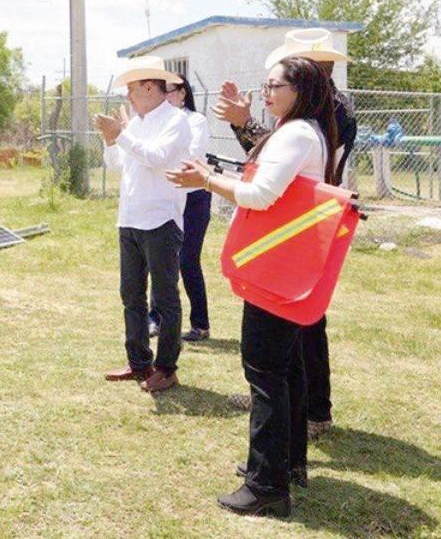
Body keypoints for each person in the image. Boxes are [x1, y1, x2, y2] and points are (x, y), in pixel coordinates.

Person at [168, 56, 340, 517]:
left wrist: (205, 177)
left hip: (276, 266)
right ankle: (287, 465)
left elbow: (260, 194)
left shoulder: (297, 133)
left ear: (299, 90)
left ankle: (267, 484)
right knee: (287, 370)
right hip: (289, 265)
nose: (265, 92)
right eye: (264, 85)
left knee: (264, 371)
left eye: (273, 85)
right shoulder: (305, 132)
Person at [213, 28, 355, 438]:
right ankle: (289, 404)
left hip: (305, 226)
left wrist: (247, 125)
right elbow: (271, 158)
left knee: (305, 320)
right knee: (291, 327)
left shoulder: (330, 111)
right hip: (293, 222)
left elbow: (281, 167)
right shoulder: (310, 113)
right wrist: (246, 125)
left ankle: (313, 411)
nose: (273, 86)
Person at [95, 56, 192, 393]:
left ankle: (167, 367)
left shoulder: (176, 121)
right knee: (131, 294)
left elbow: (156, 158)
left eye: (132, 89)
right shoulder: (136, 123)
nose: (129, 96)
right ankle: (139, 363)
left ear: (150, 87)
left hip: (161, 220)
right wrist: (111, 139)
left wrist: (121, 135)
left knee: (165, 299)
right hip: (131, 219)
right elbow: (117, 162)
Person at [147, 74, 213, 342]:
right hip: (167, 196)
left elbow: (188, 158)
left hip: (194, 198)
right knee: (159, 258)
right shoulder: (156, 122)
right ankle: (156, 318)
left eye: (170, 91)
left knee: (187, 260)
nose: (166, 96)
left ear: (183, 93)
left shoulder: (195, 121)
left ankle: (200, 324)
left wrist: (157, 159)